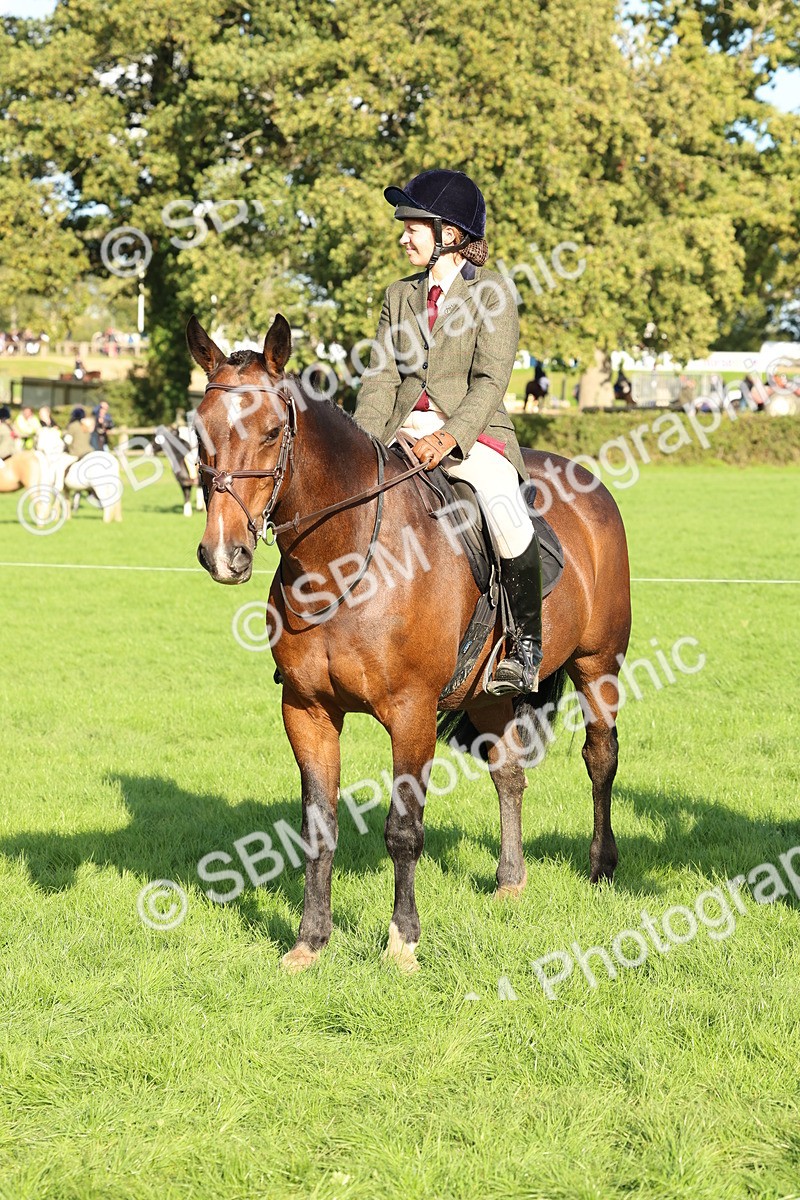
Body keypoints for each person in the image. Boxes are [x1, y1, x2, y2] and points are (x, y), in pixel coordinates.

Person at [354, 168, 542, 694]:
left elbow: (490, 382)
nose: (402, 235)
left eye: (412, 225)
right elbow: (381, 376)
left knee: (504, 510)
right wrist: (362, 446)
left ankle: (525, 646)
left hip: (473, 436)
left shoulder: (493, 293)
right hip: (400, 433)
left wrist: (449, 437)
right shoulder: (399, 295)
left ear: (449, 235)